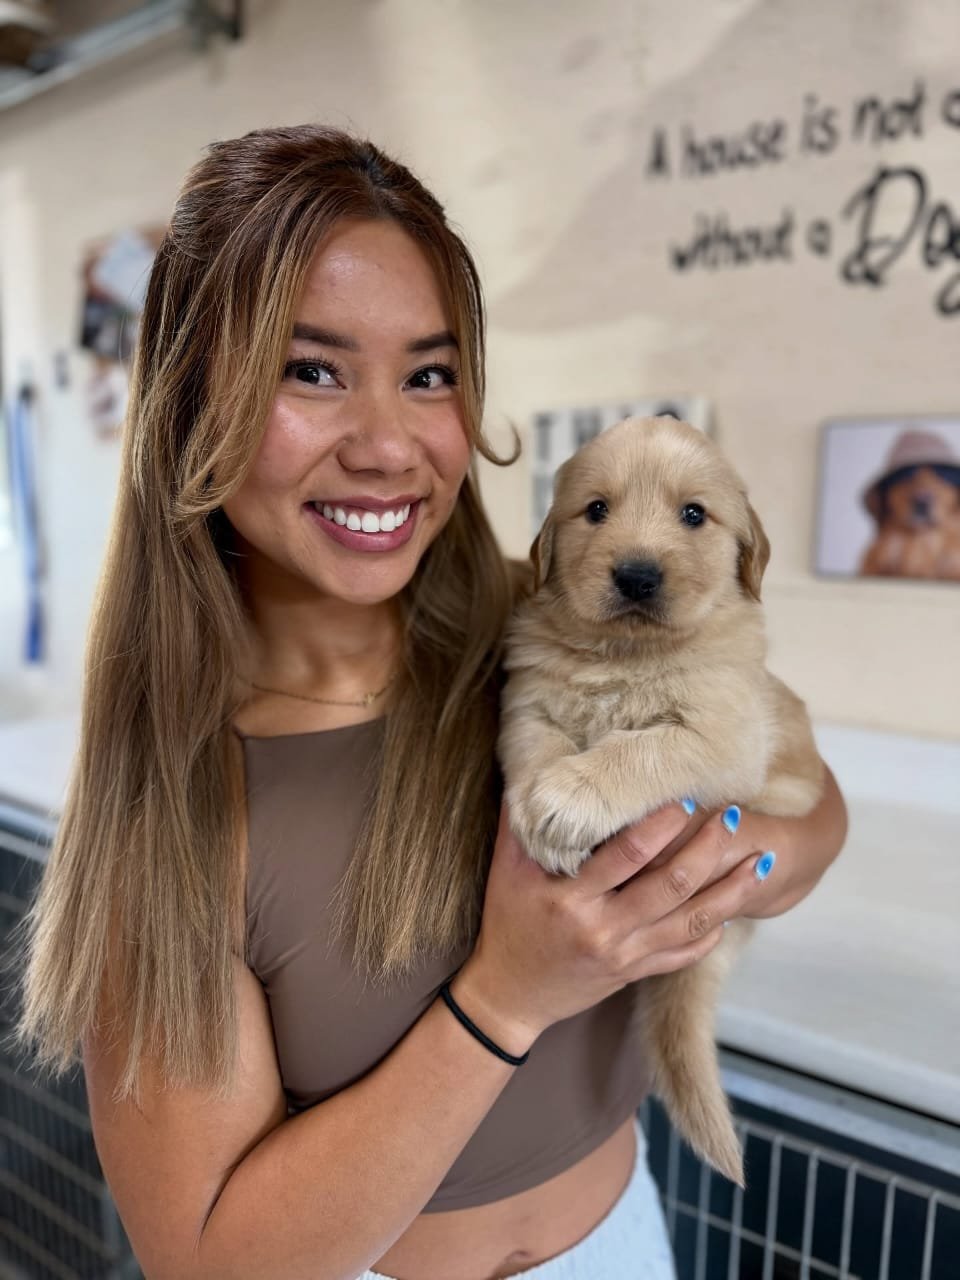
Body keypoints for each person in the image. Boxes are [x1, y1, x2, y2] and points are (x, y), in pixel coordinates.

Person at [13, 125, 847, 1280]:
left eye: (429, 374)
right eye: (312, 370)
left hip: (629, 1240)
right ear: (191, 401)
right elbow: (210, 1262)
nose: (389, 444)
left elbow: (807, 796)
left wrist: (745, 854)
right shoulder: (176, 796)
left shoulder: (547, 623)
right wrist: (507, 995)